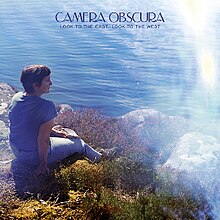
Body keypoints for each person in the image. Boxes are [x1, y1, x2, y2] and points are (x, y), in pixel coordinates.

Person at [9, 64, 102, 177]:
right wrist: (42, 164)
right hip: (32, 157)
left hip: (16, 150)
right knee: (79, 143)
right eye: (47, 80)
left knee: (62, 131)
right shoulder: (46, 106)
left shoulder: (17, 97)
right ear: (36, 85)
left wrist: (54, 132)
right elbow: (43, 140)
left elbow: (27, 123)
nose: (51, 83)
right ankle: (101, 159)